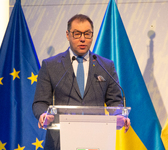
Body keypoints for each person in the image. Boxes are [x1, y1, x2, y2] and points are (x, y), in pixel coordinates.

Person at [32, 14, 130, 150]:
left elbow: (114, 101)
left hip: (96, 141)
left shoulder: (106, 66)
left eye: (87, 34)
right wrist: (43, 114)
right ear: (68, 35)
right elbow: (40, 102)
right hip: (59, 142)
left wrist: (118, 115)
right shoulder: (50, 65)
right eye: (77, 34)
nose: (82, 39)